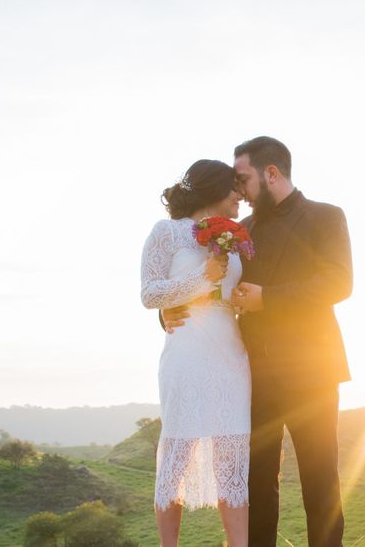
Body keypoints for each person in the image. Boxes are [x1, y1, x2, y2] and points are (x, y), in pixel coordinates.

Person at [164, 136, 353, 546]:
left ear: (271, 173)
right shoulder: (238, 230)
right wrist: (169, 311)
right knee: (255, 486)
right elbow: (202, 281)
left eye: (244, 179)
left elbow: (338, 282)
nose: (240, 192)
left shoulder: (326, 216)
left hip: (311, 372)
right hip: (250, 374)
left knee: (320, 484)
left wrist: (268, 298)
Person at [140, 159, 250, 547]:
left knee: (232, 460)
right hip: (186, 352)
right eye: (235, 188)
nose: (240, 196)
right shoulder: (166, 233)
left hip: (231, 354)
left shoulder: (237, 236)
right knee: (178, 451)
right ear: (215, 190)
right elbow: (150, 293)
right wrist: (201, 279)